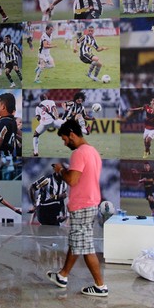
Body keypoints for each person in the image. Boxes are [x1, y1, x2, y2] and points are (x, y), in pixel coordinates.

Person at [46, 119, 107, 297]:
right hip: (90, 202)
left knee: (86, 246)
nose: (65, 143)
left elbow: (72, 180)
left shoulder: (79, 153)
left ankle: (100, 286)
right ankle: (62, 276)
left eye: (65, 139)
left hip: (82, 204)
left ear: (72, 134)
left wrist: (60, 170)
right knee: (78, 241)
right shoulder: (93, 152)